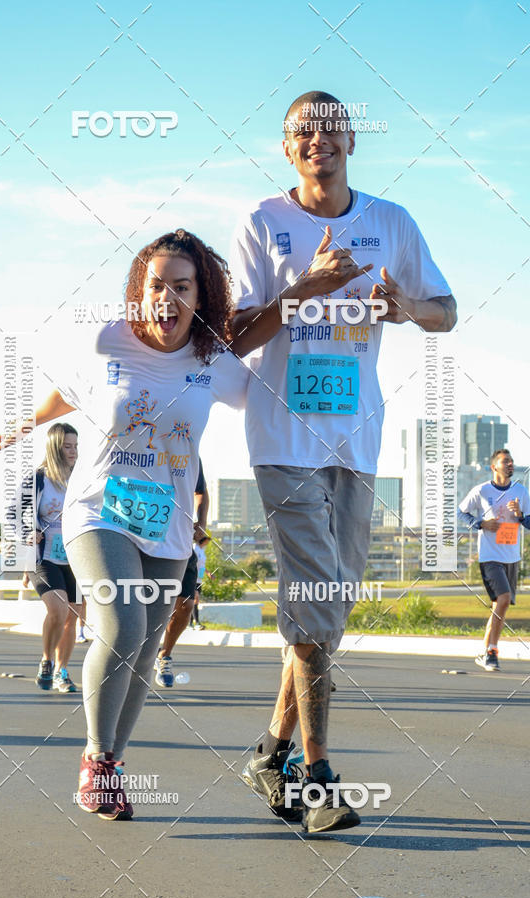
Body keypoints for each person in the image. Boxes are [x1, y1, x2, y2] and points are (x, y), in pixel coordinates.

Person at [230, 90, 456, 834]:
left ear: (351, 139)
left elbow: (445, 310)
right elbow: (233, 338)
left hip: (356, 443)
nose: (316, 141)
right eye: (301, 133)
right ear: (286, 149)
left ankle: (271, 749)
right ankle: (319, 776)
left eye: (328, 130)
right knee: (319, 600)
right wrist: (305, 291)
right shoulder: (264, 222)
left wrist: (404, 309)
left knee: (328, 608)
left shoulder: (390, 222)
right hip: (282, 441)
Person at [0, 229, 247, 820]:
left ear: (199, 296)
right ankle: (92, 757)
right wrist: (25, 423)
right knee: (120, 622)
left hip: (169, 519)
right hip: (98, 508)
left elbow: (268, 388)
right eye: (155, 285)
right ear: (140, 290)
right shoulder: (106, 339)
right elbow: (69, 392)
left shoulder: (216, 360)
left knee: (144, 645)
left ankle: (110, 761)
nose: (167, 298)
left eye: (180, 287)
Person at [458, 449, 530, 671]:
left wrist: (519, 514)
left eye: (511, 461)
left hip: (512, 557)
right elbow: (461, 512)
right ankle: (492, 651)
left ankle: (484, 650)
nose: (510, 464)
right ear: (494, 467)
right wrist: (480, 524)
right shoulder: (481, 490)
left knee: (499, 605)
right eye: (505, 461)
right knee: (504, 599)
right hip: (490, 557)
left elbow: (528, 523)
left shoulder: (521, 491)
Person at [25, 423, 83, 693]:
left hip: (78, 555)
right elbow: (13, 516)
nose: (73, 451)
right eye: (67, 446)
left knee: (73, 616)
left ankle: (62, 671)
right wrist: (28, 531)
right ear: (54, 448)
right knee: (58, 610)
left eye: (75, 446)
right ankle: (46, 661)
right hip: (44, 555)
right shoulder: (38, 479)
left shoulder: (83, 478)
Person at [154, 458, 209, 688]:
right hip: (147, 539)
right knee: (151, 603)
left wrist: (202, 522)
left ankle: (164, 655)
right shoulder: (139, 444)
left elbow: (201, 492)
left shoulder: (189, 451)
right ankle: (136, 654)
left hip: (181, 539)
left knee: (185, 605)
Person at [191, 534, 210, 629]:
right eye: (208, 540)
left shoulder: (202, 550)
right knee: (195, 599)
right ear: (203, 539)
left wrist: (208, 573)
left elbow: (202, 564)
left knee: (194, 601)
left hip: (199, 578)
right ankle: (197, 623)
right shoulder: (194, 548)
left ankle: (190, 623)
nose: (208, 542)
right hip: (192, 578)